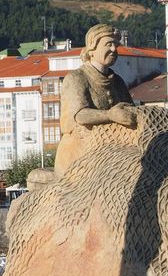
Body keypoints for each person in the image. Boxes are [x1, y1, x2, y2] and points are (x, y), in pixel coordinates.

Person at [55, 24, 137, 174]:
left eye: (115, 45)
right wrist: (110, 115)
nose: (114, 49)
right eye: (108, 44)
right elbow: (80, 115)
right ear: (92, 48)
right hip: (78, 154)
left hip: (112, 150)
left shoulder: (117, 81)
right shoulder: (76, 78)